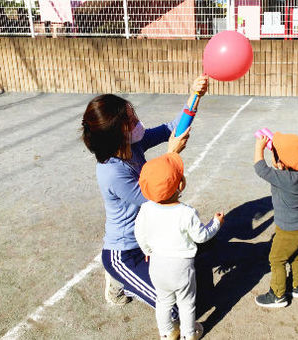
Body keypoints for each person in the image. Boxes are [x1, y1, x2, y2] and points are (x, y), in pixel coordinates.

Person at [81, 75, 209, 307]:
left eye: (133, 115)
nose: (137, 122)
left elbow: (172, 128)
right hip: (125, 252)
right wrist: (172, 155)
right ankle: (118, 279)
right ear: (115, 133)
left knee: (192, 280)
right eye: (130, 121)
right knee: (174, 307)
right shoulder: (111, 172)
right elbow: (155, 195)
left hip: (151, 238)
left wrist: (195, 96)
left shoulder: (131, 143)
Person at [135, 153, 224, 340]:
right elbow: (201, 237)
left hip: (157, 266)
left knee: (163, 302)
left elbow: (140, 234)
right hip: (181, 268)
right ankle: (188, 334)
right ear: (180, 185)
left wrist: (147, 250)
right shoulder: (187, 213)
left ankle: (166, 333)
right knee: (187, 304)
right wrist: (216, 223)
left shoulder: (145, 209)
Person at [253, 132, 298, 308]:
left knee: (276, 259)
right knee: (295, 256)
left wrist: (259, 148)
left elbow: (260, 168)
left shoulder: (283, 178)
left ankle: (277, 295)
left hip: (288, 231)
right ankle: (297, 287)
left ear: (282, 163)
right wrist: (277, 156)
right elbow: (284, 166)